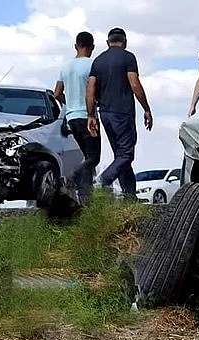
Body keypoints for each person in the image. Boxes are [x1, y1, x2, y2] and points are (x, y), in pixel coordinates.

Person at [86, 27, 153, 201]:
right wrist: (146, 108)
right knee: (126, 154)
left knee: (120, 156)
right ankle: (103, 180)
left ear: (108, 42)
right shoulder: (128, 57)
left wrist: (91, 115)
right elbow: (135, 84)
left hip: (105, 113)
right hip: (123, 112)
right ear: (125, 42)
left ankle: (129, 196)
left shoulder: (98, 61)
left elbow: (90, 89)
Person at [53, 31, 98, 206]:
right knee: (94, 157)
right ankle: (71, 178)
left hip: (71, 118)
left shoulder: (65, 66)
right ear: (92, 47)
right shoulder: (92, 65)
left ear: (75, 46)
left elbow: (57, 93)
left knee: (87, 157)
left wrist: (69, 102)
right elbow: (94, 90)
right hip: (87, 117)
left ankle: (85, 197)